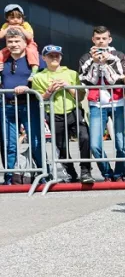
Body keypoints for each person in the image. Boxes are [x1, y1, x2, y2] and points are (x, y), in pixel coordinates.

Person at [34, 45, 93, 183]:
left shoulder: (71, 73)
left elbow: (80, 96)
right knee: (61, 146)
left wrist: (68, 86)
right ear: (44, 58)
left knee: (85, 138)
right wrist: (49, 91)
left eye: (57, 55)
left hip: (73, 110)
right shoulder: (38, 77)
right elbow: (39, 98)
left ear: (61, 57)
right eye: (50, 56)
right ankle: (71, 173)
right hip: (53, 113)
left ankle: (85, 171)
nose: (54, 58)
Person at [79, 26, 125, 181]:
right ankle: (107, 173)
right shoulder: (85, 57)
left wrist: (107, 62)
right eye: (98, 38)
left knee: (121, 143)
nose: (101, 41)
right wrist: (95, 63)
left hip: (119, 102)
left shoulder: (119, 55)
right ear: (93, 39)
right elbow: (86, 81)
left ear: (109, 39)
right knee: (95, 144)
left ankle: (119, 173)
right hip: (96, 104)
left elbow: (121, 78)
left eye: (104, 38)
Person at [1, 27, 44, 184]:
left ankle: (43, 174)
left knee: (35, 142)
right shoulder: (3, 60)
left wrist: (28, 88)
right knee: (9, 144)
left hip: (29, 105)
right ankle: (9, 177)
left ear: (25, 43)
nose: (13, 44)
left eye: (17, 41)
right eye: (10, 41)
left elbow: (45, 79)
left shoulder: (35, 59)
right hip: (7, 107)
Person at [0, 5, 40, 81]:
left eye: (18, 18)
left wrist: (21, 28)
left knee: (32, 52)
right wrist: (7, 28)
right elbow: (1, 36)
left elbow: (30, 37)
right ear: (7, 18)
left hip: (29, 44)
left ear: (22, 18)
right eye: (12, 18)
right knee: (1, 54)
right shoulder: (6, 25)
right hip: (12, 47)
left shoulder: (25, 25)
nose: (16, 20)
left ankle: (34, 70)